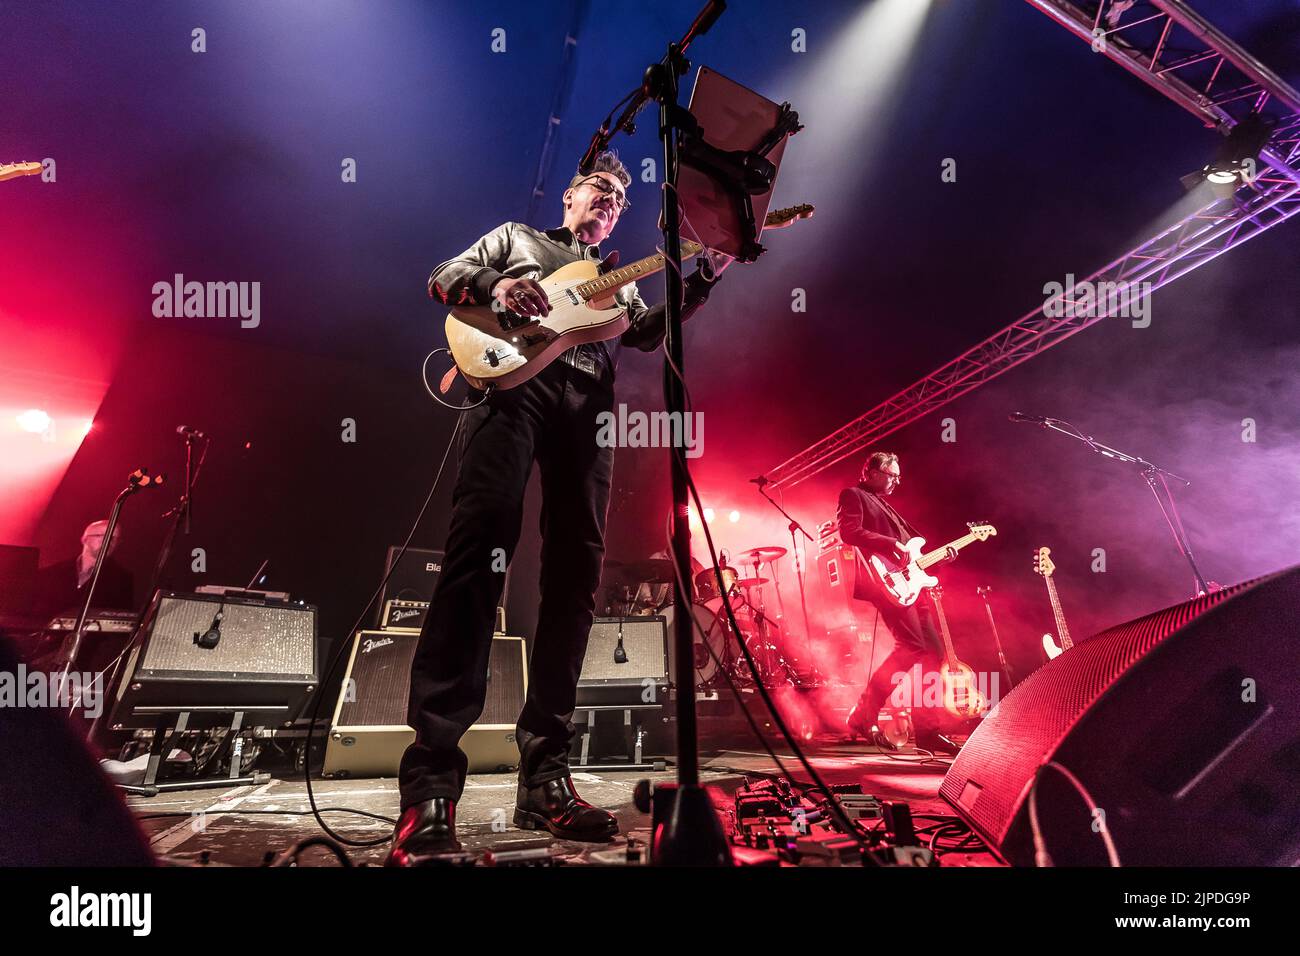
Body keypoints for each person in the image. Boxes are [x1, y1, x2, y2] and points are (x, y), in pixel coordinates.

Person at [389, 151, 731, 865]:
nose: (609, 206)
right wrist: (500, 283)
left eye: (618, 204)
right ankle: (430, 790)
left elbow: (644, 335)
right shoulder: (517, 237)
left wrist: (701, 276)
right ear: (572, 195)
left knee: (577, 579)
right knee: (475, 559)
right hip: (511, 390)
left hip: (587, 407)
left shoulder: (614, 282)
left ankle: (544, 778)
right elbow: (443, 278)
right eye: (600, 193)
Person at [837, 452, 955, 754]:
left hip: (912, 584)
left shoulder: (887, 505)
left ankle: (928, 730)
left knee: (933, 653)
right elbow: (848, 532)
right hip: (886, 583)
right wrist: (891, 544)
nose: (897, 480)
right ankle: (865, 713)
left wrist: (942, 558)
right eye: (892, 474)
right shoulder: (853, 495)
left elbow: (915, 555)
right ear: (872, 472)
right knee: (912, 646)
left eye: (898, 476)